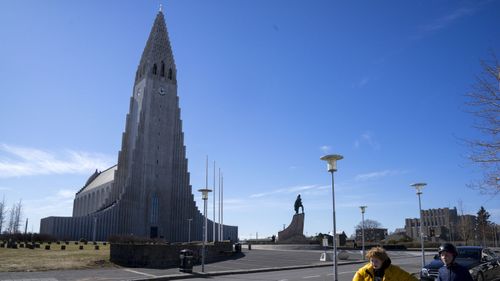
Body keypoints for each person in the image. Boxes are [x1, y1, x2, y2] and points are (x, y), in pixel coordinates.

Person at [353, 246, 417, 281]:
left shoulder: (394, 271)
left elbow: (409, 278)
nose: (373, 263)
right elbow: (357, 278)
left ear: (383, 260)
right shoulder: (365, 270)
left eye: (376, 261)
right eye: (372, 260)